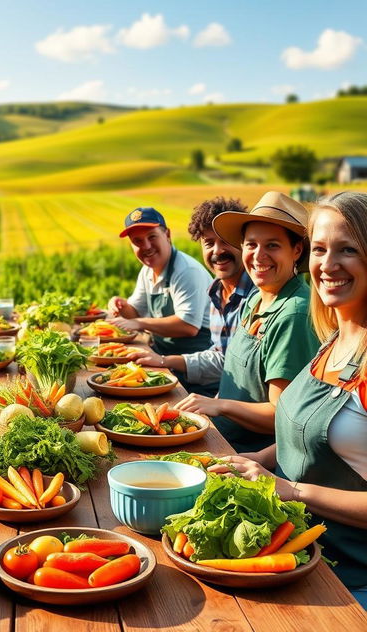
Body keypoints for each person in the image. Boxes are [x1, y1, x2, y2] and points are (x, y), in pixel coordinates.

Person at [209, 191, 367, 607]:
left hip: (348, 583)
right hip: (291, 557)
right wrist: (260, 460)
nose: (328, 265)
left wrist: (289, 489)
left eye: (347, 250)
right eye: (321, 249)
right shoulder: (333, 339)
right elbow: (310, 431)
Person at [175, 192, 319, 452]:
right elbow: (233, 383)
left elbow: (281, 415)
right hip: (221, 436)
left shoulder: (293, 314)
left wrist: (219, 406)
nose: (258, 255)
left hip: (249, 455)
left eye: (272, 245)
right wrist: (208, 410)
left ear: (296, 250)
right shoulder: (257, 300)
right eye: (251, 244)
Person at [137, 197, 256, 388]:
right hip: (220, 390)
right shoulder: (217, 291)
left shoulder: (257, 297)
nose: (218, 251)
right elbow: (221, 358)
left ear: (243, 242)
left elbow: (249, 375)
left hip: (232, 399)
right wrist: (163, 361)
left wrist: (218, 405)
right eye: (209, 243)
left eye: (225, 241)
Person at [108, 206, 214, 394]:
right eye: (137, 241)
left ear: (167, 234)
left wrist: (138, 322)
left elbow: (188, 326)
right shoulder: (148, 271)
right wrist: (121, 305)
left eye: (152, 237)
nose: (146, 246)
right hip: (165, 363)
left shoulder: (186, 271)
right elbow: (135, 313)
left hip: (198, 378)